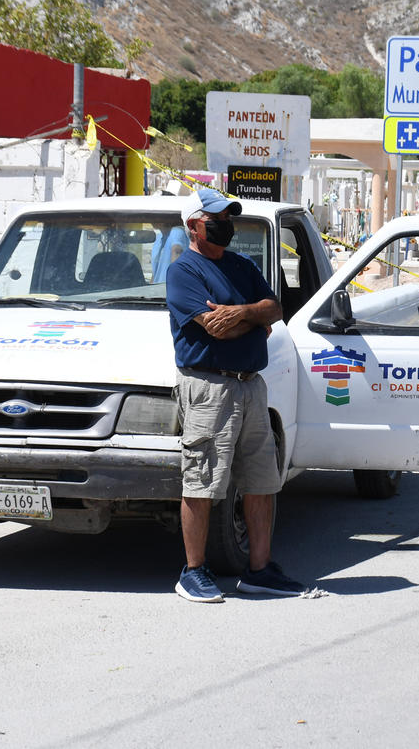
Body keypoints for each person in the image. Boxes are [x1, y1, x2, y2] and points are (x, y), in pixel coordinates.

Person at [165, 187, 305, 602]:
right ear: (194, 225)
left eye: (227, 218)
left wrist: (243, 313)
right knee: (203, 481)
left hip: (250, 384)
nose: (225, 225)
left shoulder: (242, 265)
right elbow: (213, 327)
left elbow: (274, 309)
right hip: (210, 387)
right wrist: (252, 317)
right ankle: (193, 571)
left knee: (262, 479)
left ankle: (260, 569)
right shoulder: (184, 271)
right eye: (216, 219)